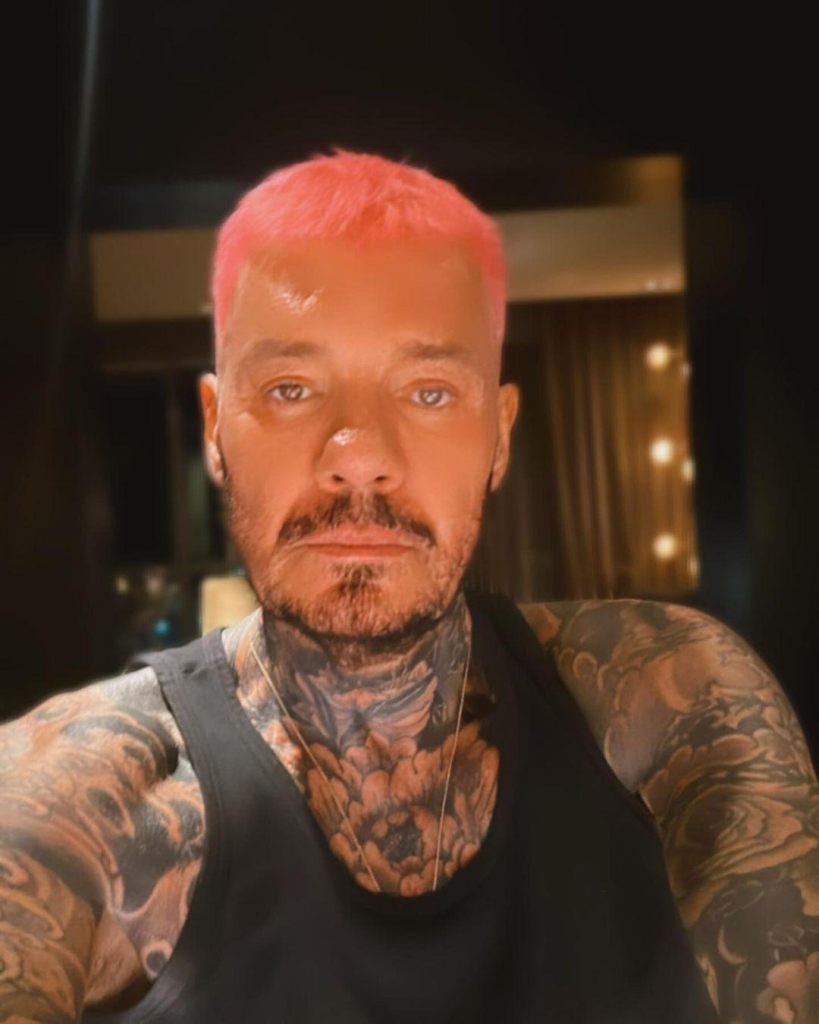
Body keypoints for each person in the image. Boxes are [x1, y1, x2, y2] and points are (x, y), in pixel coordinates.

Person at [1, 149, 817, 1024]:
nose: (359, 456)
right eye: (290, 388)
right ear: (214, 430)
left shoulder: (669, 698)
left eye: (428, 392)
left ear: (498, 435)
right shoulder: (84, 787)